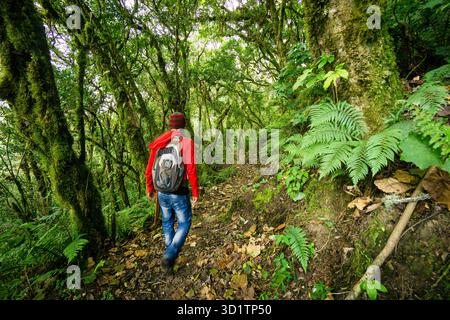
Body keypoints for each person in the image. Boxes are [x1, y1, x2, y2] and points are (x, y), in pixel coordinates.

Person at [145, 112, 199, 275]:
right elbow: (191, 170)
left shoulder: (160, 142)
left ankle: (169, 259)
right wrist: (195, 191)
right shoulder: (186, 142)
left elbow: (149, 169)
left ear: (170, 125)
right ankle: (169, 255)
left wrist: (150, 188)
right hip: (179, 192)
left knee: (167, 222)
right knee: (184, 223)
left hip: (161, 191)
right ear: (183, 126)